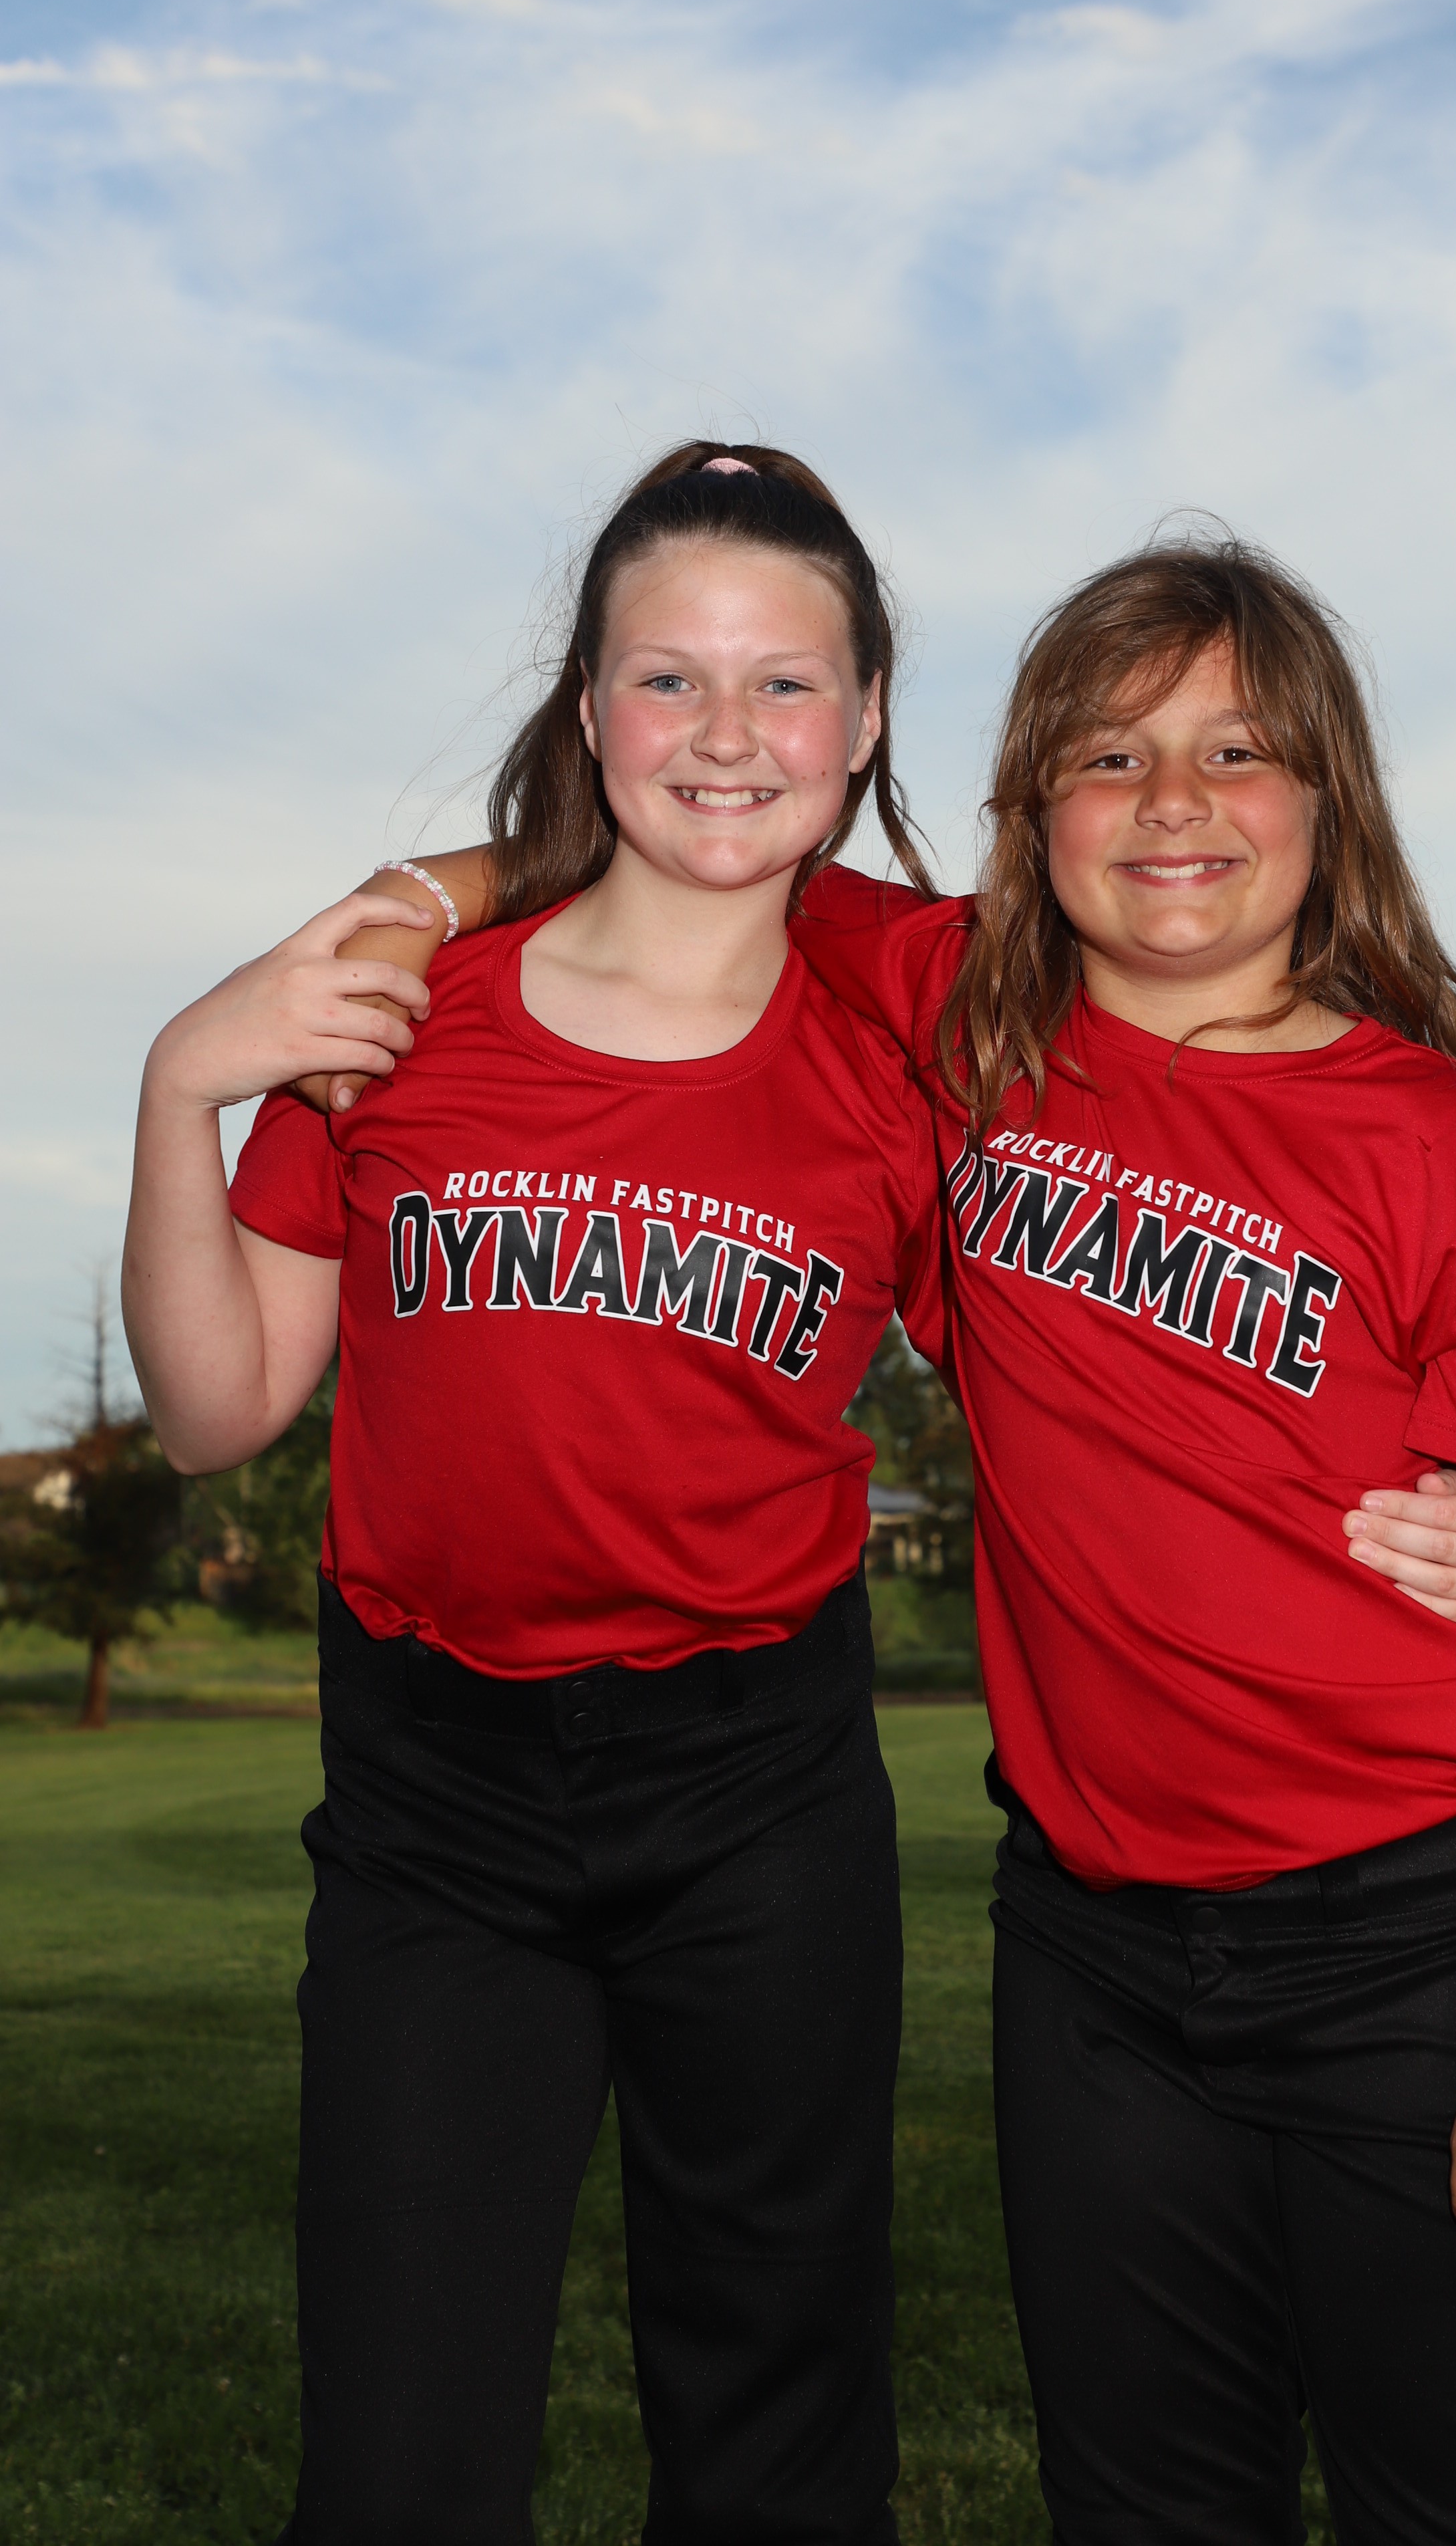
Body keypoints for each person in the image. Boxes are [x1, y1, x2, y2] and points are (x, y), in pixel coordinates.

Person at [308, 525, 1456, 2543]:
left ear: (1332, 801)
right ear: (1025, 816)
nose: (1171, 805)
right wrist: (417, 899)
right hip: (1089, 1953)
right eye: (1107, 758)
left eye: (1239, 752)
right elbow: (703, 827)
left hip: (1405, 1941)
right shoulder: (963, 1019)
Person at [122, 442, 954, 2546]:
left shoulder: (915, 1036)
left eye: (787, 682)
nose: (727, 731)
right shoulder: (403, 1012)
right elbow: (217, 1413)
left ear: (864, 720)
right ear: (590, 706)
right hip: (438, 1801)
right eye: (669, 677)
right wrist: (180, 1082)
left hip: (760, 1786)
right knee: (400, 2456)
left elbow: (1125, 1296)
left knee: (779, 2448)